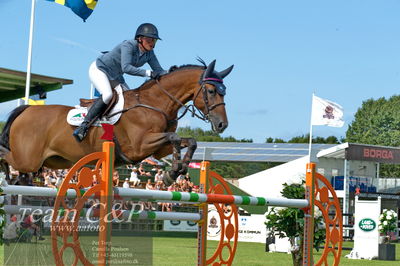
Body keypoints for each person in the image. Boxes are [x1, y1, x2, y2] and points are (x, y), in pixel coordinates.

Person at [73, 23, 167, 142]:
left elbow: (159, 70)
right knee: (108, 95)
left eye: (154, 40)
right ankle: (83, 126)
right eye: (149, 39)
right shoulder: (128, 45)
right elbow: (126, 68)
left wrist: (172, 72)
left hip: (115, 76)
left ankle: (115, 132)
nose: (152, 43)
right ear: (140, 39)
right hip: (100, 69)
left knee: (129, 100)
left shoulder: (149, 53)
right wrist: (148, 73)